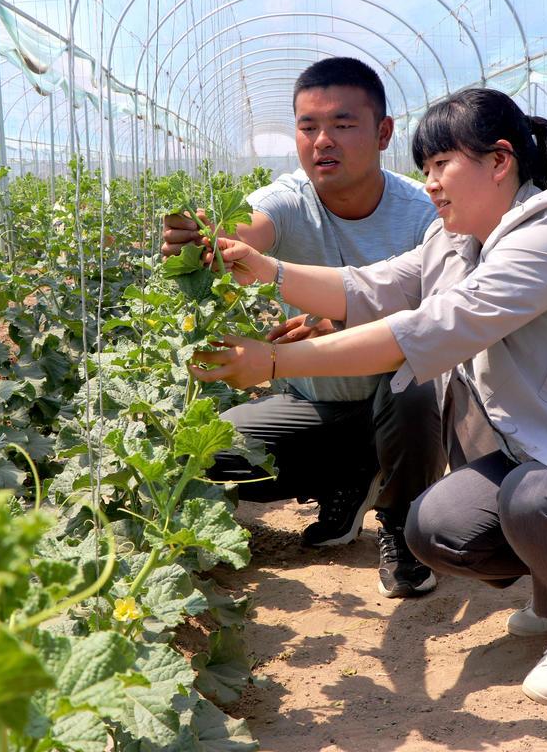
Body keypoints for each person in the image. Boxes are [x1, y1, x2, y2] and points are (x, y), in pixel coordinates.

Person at [188, 87, 547, 707]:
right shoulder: (456, 236)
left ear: (499, 160)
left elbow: (426, 331)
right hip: (546, 443)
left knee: (533, 500)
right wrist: (265, 268)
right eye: (425, 168)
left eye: (441, 165)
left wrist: (272, 361)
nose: (430, 182)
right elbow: (374, 287)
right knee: (437, 529)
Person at [162, 57, 447, 598]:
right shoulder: (289, 198)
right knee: (199, 455)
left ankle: (404, 524)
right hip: (316, 403)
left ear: (383, 132)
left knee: (417, 380)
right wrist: (206, 239)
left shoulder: (422, 215)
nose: (323, 141)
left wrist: (334, 322)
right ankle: (347, 476)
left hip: (399, 400)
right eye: (308, 126)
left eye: (342, 125)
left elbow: (436, 328)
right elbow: (250, 229)